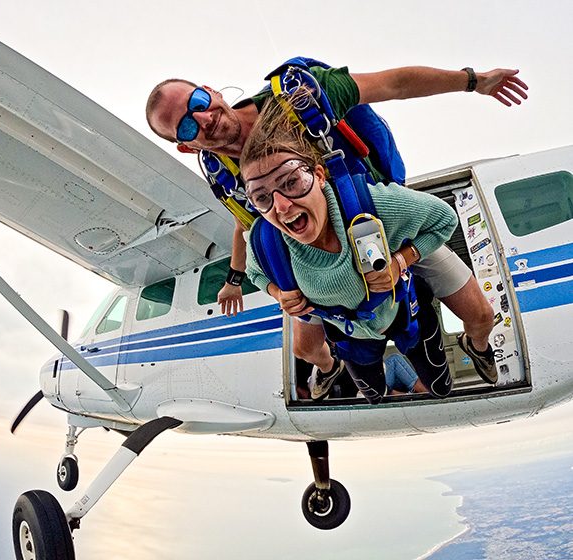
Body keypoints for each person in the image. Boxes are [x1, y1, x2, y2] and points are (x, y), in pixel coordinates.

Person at [146, 64, 528, 393]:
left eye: (197, 103)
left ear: (210, 91)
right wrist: (259, 283)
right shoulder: (223, 175)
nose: (202, 119)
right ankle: (330, 367)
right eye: (183, 126)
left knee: (481, 315)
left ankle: (477, 345)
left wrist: (474, 80)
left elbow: (393, 84)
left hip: (385, 227)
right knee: (306, 348)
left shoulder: (302, 97)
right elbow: (249, 224)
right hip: (311, 252)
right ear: (184, 146)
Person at [238, 93, 457, 404]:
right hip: (350, 335)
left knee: (440, 388)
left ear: (318, 174)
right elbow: (254, 273)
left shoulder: (374, 203)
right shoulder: (266, 240)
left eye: (291, 182)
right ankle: (334, 367)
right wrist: (278, 294)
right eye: (261, 197)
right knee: (374, 398)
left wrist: (400, 261)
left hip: (403, 312)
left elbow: (444, 220)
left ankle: (472, 344)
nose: (282, 206)